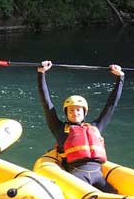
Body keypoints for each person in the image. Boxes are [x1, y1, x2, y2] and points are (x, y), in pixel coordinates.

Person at [37, 60, 124, 192]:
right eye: (71, 110)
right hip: (77, 175)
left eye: (78, 110)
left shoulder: (95, 126)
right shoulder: (59, 128)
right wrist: (41, 74)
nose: (75, 113)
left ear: (84, 112)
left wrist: (120, 77)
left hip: (98, 176)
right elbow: (46, 103)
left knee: (115, 194)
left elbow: (111, 105)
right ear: (66, 113)